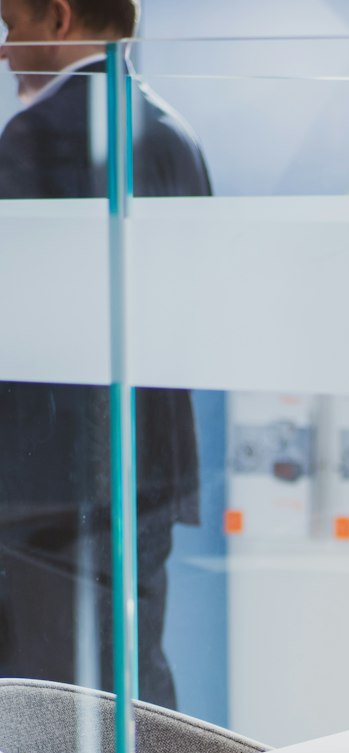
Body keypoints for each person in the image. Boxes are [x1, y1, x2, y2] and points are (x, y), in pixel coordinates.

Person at [0, 0, 211, 709]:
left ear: (58, 20)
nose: (4, 48)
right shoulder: (171, 131)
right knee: (130, 685)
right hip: (147, 473)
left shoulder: (40, 138)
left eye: (11, 26)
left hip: (45, 494)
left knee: (45, 710)